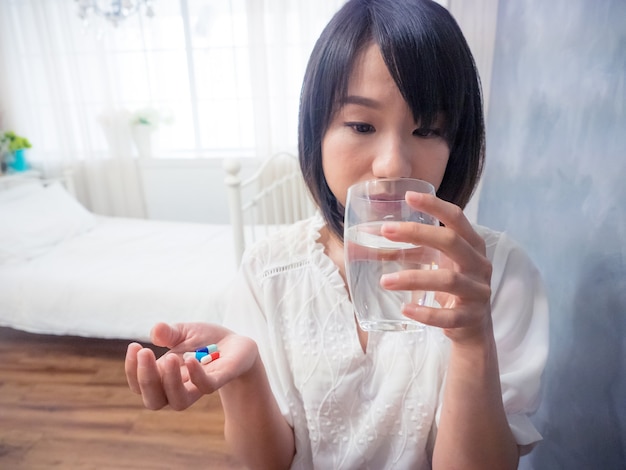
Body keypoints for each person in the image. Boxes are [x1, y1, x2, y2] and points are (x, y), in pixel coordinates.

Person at [125, 0, 549, 468]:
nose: (393, 164)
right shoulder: (269, 271)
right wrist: (246, 375)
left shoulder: (499, 274)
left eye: (428, 129)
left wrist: (473, 341)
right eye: (362, 125)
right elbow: (267, 463)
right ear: (316, 131)